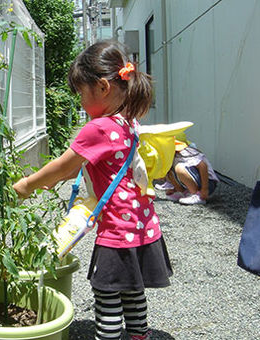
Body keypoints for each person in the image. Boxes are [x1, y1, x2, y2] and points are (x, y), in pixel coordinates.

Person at [13, 41, 172, 340]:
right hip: (142, 225)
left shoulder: (98, 128)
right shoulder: (128, 123)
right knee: (132, 290)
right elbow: (80, 167)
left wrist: (26, 185)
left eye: (81, 95)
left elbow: (63, 166)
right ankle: (140, 335)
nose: (80, 104)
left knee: (107, 294)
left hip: (116, 231)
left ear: (102, 87)